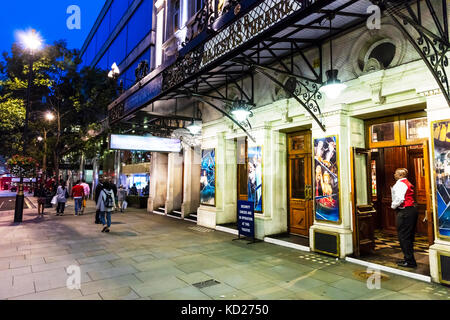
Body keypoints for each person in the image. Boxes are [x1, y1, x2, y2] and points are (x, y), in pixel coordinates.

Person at [391, 168, 419, 268]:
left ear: (400, 175)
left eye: (395, 173)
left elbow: (399, 198)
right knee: (409, 236)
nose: (394, 174)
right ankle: (408, 259)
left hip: (404, 211)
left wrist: (393, 206)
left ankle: (410, 261)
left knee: (403, 236)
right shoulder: (407, 182)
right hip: (411, 210)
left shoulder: (400, 184)